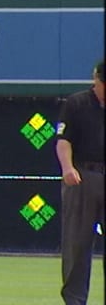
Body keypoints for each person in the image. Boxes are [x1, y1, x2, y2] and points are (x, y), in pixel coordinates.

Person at [55, 59, 105, 305]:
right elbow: (64, 140)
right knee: (78, 244)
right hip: (83, 176)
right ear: (96, 79)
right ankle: (75, 301)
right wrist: (68, 168)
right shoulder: (77, 103)